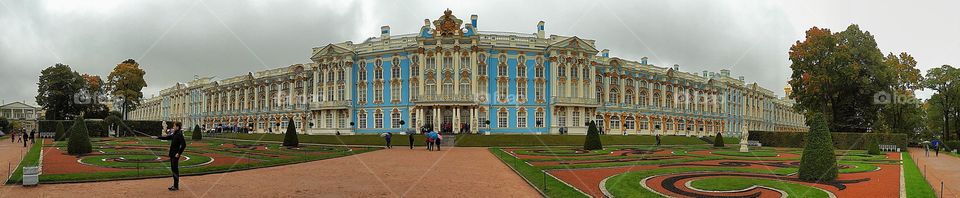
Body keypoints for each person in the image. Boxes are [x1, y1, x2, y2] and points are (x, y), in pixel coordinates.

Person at [152, 123, 187, 191]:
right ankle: (175, 185)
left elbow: (184, 145)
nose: (173, 127)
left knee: (175, 170)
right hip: (172, 154)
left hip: (175, 155)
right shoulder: (175, 134)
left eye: (174, 126)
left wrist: (179, 153)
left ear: (177, 127)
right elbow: (167, 137)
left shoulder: (179, 134)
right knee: (173, 170)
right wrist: (157, 137)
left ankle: (176, 186)